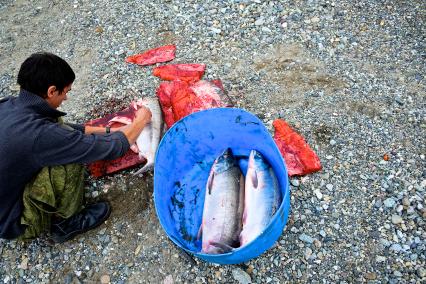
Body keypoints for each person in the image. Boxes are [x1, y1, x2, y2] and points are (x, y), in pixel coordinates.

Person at [0, 52, 152, 243]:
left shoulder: (8, 105)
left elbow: (62, 129)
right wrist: (141, 121)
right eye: (66, 92)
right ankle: (66, 223)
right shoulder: (40, 135)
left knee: (56, 121)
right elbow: (115, 148)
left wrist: (108, 130)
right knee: (70, 162)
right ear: (51, 91)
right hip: (12, 222)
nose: (66, 98)